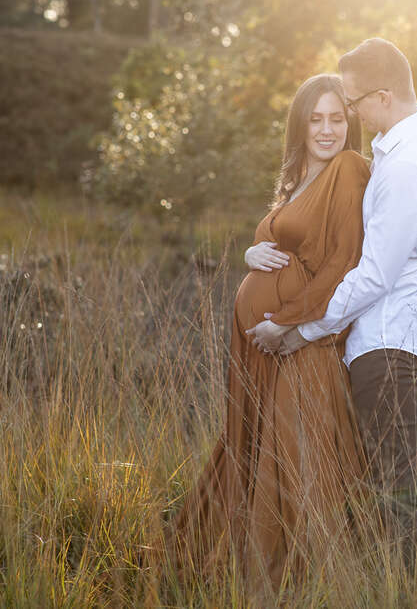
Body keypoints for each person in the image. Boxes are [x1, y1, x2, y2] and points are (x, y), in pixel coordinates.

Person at [252, 38, 417, 565]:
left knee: (403, 485)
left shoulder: (409, 164)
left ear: (383, 96)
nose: (350, 114)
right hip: (385, 344)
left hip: (389, 345)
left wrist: (298, 330)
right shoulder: (401, 152)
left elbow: (373, 276)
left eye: (353, 102)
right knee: (411, 479)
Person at [165, 73, 370, 592]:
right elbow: (278, 244)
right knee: (255, 449)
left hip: (303, 345)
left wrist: (283, 320)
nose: (327, 130)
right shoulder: (298, 179)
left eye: (337, 118)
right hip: (266, 350)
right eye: (316, 119)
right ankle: (228, 579)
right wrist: (251, 252)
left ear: (351, 122)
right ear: (299, 125)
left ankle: (298, 588)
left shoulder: (348, 168)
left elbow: (344, 262)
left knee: (294, 462)